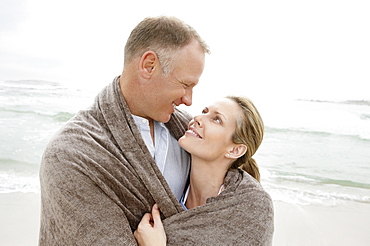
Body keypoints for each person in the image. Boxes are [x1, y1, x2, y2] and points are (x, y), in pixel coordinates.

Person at [39, 16, 209, 245]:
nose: (188, 100)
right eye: (185, 85)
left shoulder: (190, 135)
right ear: (149, 65)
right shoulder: (71, 154)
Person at [134, 96, 274, 245]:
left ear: (235, 150)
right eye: (204, 111)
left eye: (217, 119)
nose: (198, 118)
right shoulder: (169, 186)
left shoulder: (252, 207)